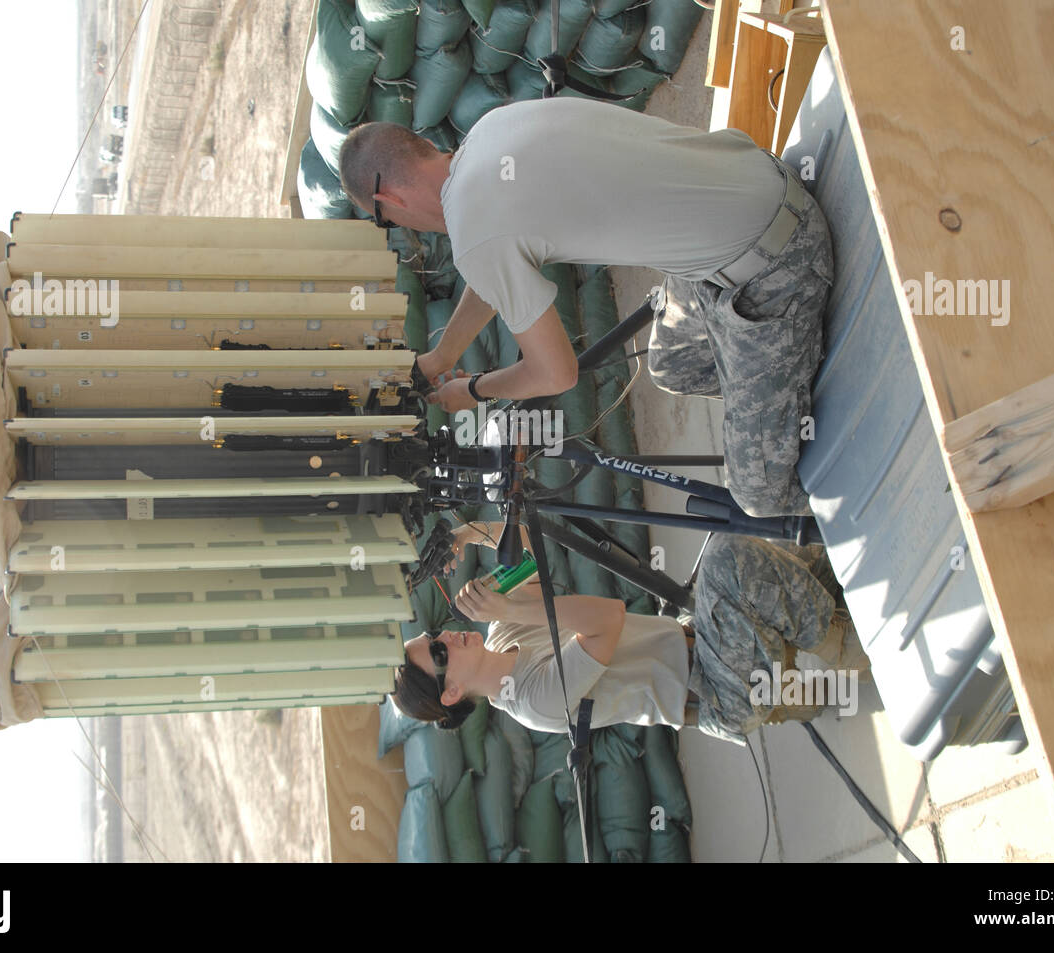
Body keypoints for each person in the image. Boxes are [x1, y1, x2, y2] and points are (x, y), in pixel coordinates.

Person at [336, 97, 834, 517]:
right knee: (673, 366)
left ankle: (798, 398)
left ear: (388, 198)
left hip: (779, 264)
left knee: (758, 496)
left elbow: (556, 374)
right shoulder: (491, 132)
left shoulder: (475, 234)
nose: (402, 227)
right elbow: (492, 270)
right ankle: (779, 393)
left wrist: (477, 390)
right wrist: (442, 360)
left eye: (384, 220)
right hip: (765, 183)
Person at [390, 520, 868, 743]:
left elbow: (530, 551)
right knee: (729, 554)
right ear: (451, 692)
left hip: (700, 640)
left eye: (438, 635)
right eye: (438, 651)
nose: (448, 637)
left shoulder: (500, 636)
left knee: (790, 536)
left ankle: (789, 686)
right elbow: (607, 620)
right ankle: (840, 647)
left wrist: (471, 533)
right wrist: (511, 604)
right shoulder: (532, 700)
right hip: (717, 691)